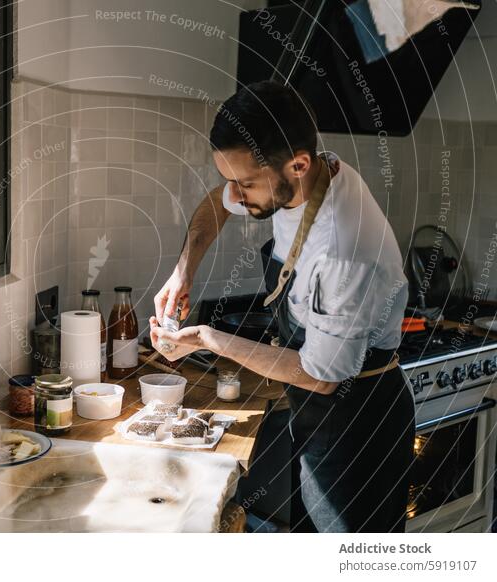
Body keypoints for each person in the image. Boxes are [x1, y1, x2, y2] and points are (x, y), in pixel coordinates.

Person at [150, 80, 415, 533]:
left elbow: (321, 376)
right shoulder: (312, 172)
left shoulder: (344, 251)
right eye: (230, 178)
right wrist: (184, 269)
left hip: (357, 425)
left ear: (297, 164)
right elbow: (220, 202)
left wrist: (211, 340)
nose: (236, 193)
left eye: (246, 184)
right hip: (314, 412)